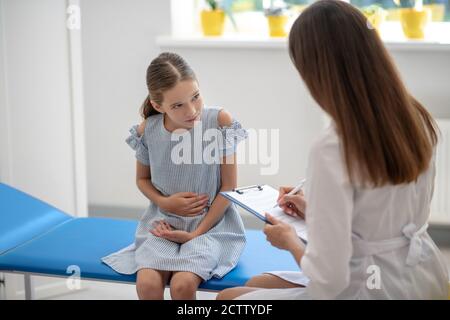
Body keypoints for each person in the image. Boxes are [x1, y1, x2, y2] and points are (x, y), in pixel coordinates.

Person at [217, 0, 449, 300]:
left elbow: (329, 281)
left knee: (227, 300)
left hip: (368, 287)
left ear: (315, 72)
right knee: (262, 280)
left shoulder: (332, 148)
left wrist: (290, 241)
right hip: (419, 273)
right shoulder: (416, 117)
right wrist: (315, 211)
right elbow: (380, 218)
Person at [102, 52, 248, 300]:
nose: (192, 111)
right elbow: (142, 180)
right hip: (163, 224)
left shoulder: (220, 121)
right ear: (158, 106)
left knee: (182, 285)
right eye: (178, 105)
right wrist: (165, 202)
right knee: (147, 283)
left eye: (196, 97)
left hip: (211, 226)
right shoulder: (148, 129)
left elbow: (229, 188)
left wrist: (195, 233)